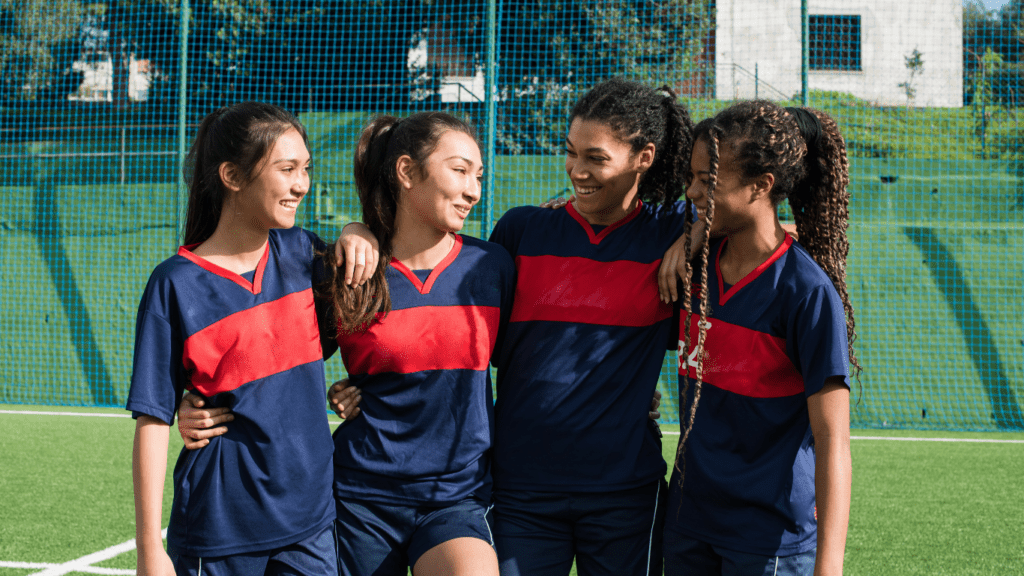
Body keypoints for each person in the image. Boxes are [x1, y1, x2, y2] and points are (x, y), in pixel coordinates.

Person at [127, 102, 337, 576]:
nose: (302, 184)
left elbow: (377, 332)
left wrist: (357, 230)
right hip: (218, 532)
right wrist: (148, 550)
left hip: (311, 525)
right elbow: (154, 420)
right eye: (287, 169)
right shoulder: (174, 285)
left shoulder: (308, 255)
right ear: (232, 176)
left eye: (305, 169)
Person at [661, 100, 860, 576]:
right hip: (689, 522)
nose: (691, 193)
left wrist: (828, 567)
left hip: (770, 539)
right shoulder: (694, 266)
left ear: (760, 186)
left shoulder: (806, 293)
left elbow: (832, 439)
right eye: (691, 178)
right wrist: (686, 238)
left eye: (707, 182)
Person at [319, 111, 514, 576]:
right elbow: (279, 360)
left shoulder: (492, 267)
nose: (474, 190)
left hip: (456, 497)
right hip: (362, 496)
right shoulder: (349, 271)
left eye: (479, 175)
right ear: (407, 171)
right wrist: (201, 402)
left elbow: (529, 363)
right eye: (460, 170)